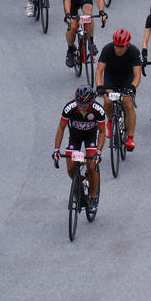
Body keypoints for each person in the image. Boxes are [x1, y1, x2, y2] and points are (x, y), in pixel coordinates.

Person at [54, 85, 107, 222]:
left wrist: (98, 153)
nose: (81, 107)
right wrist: (56, 150)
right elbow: (61, 129)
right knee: (71, 168)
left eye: (85, 104)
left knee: (91, 165)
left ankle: (94, 197)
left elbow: (102, 133)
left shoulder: (98, 111)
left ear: (91, 102)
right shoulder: (69, 108)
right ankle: (78, 185)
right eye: (79, 103)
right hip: (74, 137)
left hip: (91, 137)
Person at [96, 28, 144, 152]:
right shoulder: (107, 49)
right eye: (116, 46)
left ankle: (130, 138)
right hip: (111, 77)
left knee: (128, 102)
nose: (118, 49)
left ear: (127, 45)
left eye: (121, 47)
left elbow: (137, 75)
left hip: (127, 78)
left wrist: (132, 88)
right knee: (107, 100)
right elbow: (99, 71)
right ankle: (110, 121)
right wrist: (100, 87)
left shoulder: (134, 51)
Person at [61, 0, 106, 69]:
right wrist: (68, 15)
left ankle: (91, 42)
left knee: (88, 15)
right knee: (73, 25)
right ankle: (70, 50)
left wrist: (102, 11)